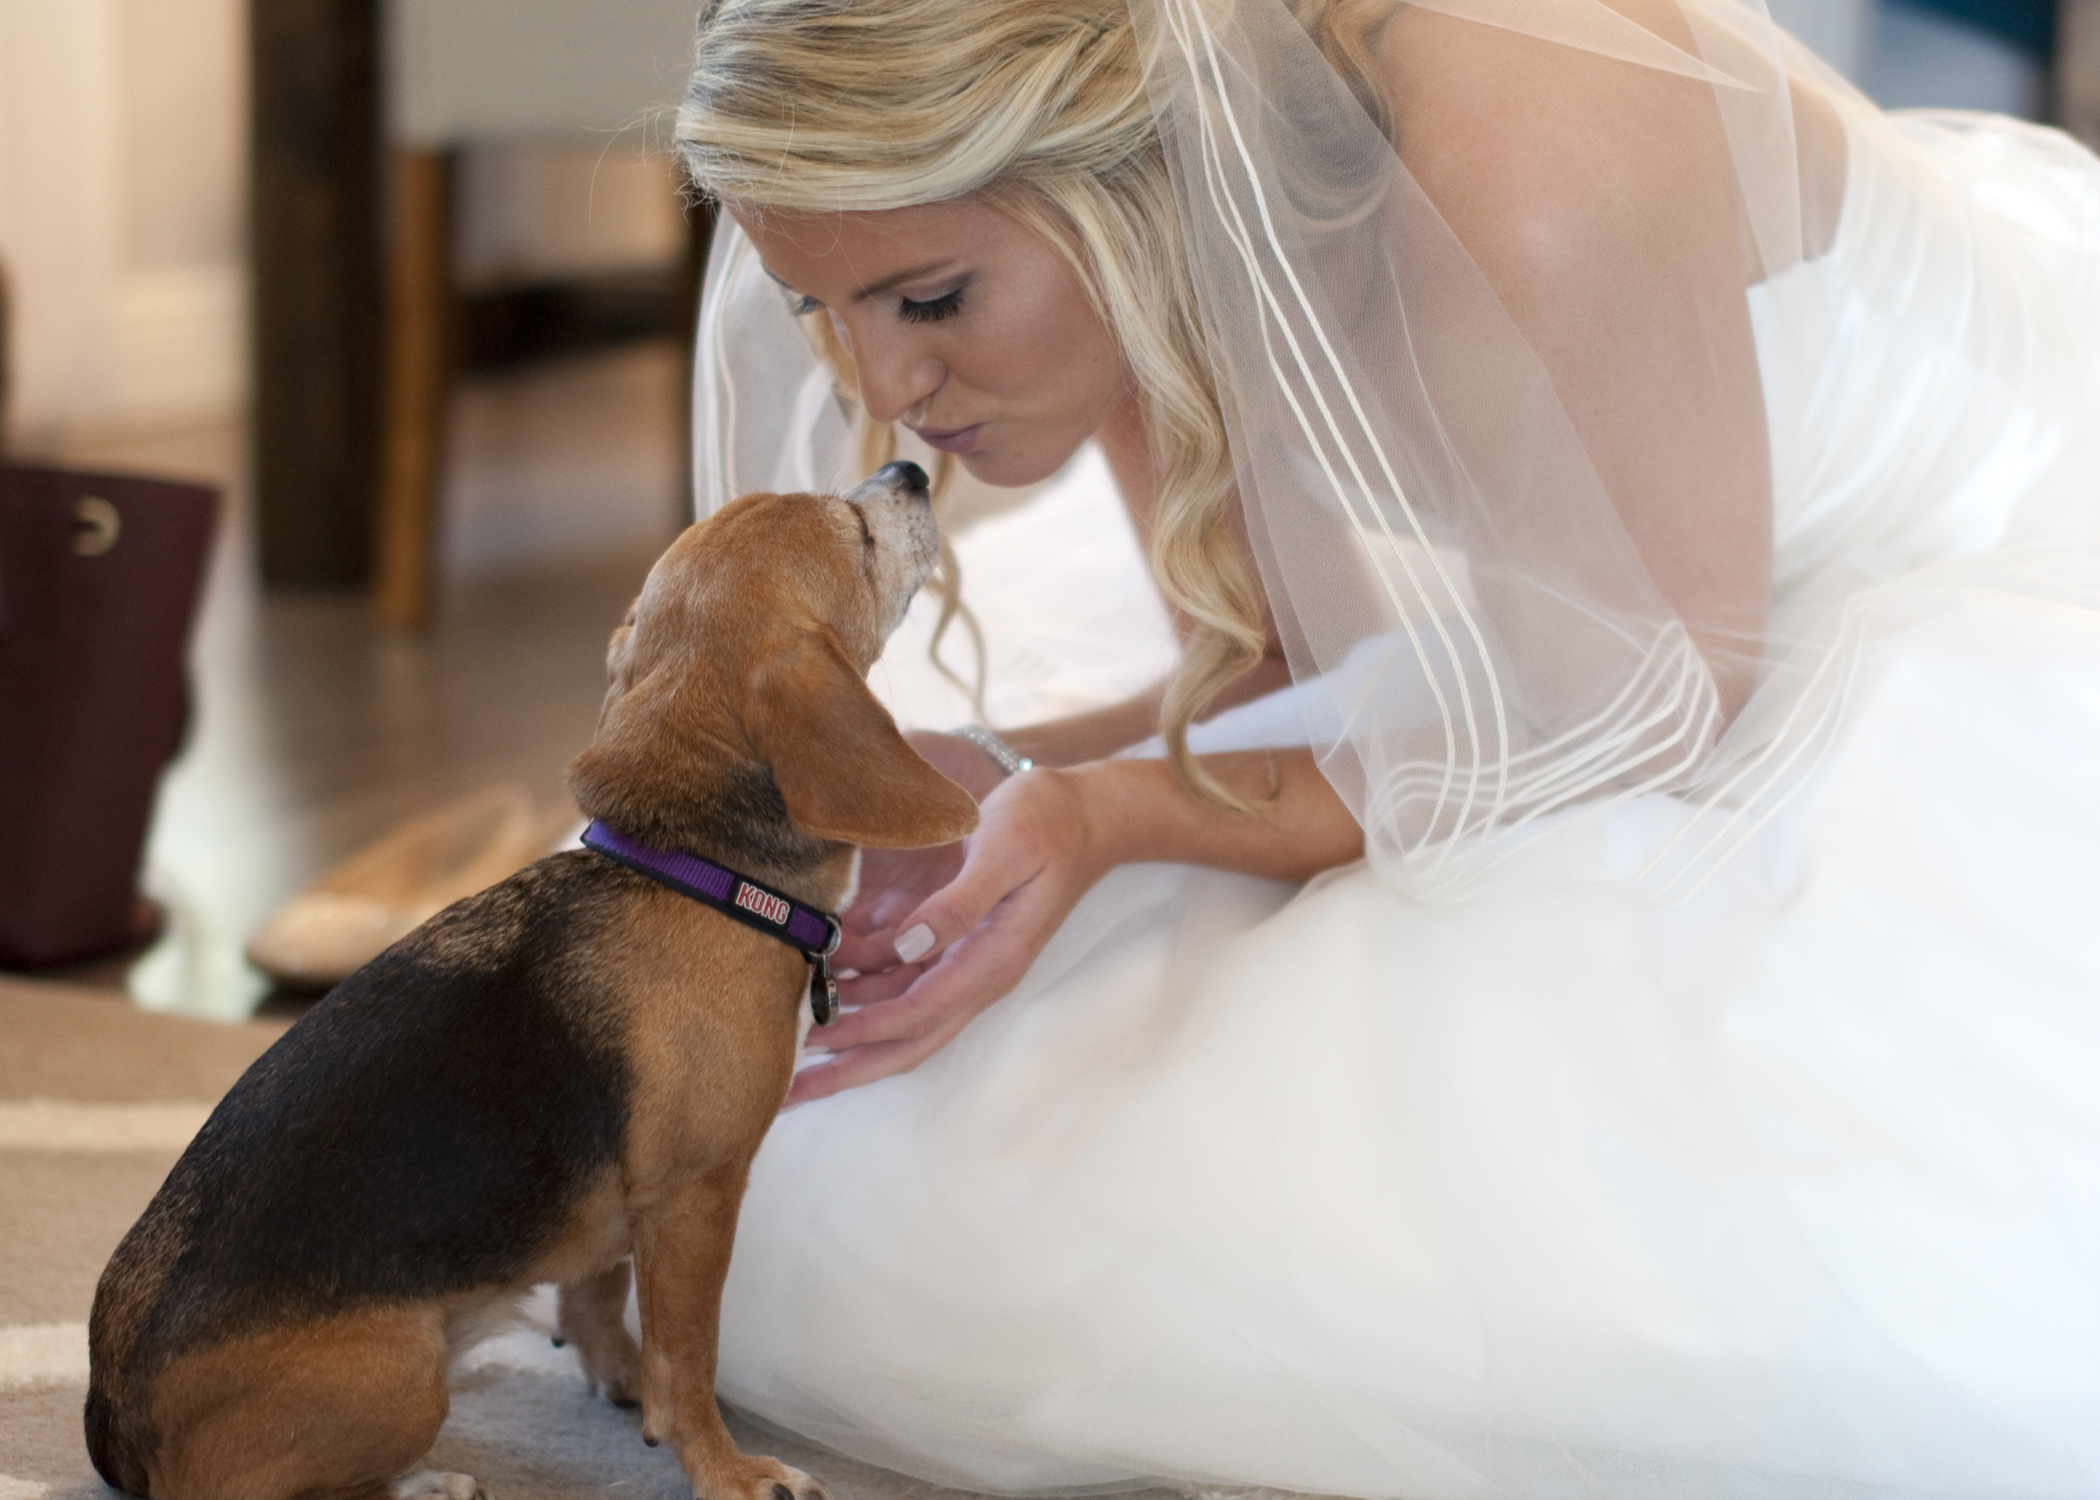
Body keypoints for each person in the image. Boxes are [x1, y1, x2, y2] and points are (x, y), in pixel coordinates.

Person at [673, 0, 2100, 1494]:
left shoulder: (1524, 172)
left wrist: (1114, 817)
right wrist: (993, 768)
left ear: (1107, 169)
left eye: (931, 300)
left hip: (1961, 520)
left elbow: (1652, 718)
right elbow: (1275, 664)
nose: (880, 390)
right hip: (1604, 618)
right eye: (818, 309)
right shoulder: (1176, 173)